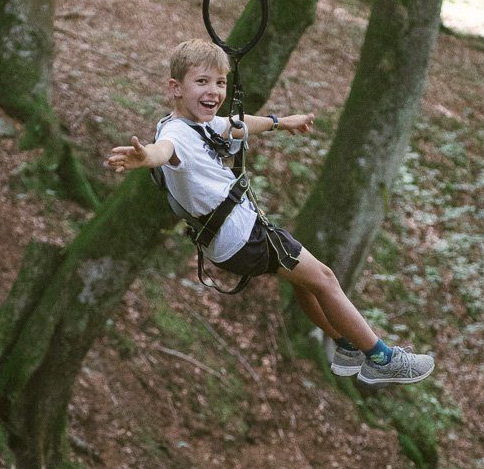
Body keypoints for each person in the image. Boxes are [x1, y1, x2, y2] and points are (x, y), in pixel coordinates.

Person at [106, 38, 434, 387]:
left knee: (305, 283)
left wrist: (281, 122)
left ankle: (345, 346)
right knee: (324, 278)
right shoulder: (176, 135)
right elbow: (164, 151)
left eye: (219, 82)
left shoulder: (196, 123)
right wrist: (145, 158)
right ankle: (382, 358)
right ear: (176, 87)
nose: (214, 91)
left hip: (231, 241)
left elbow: (236, 123)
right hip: (243, 237)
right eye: (202, 82)